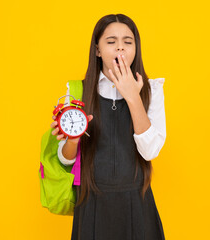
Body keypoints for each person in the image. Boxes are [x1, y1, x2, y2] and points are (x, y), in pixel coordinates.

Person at [50, 13, 166, 240]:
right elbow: (65, 159)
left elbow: (150, 151)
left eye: (128, 42)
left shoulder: (152, 89)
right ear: (97, 50)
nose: (120, 49)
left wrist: (132, 97)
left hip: (137, 204)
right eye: (111, 42)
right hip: (92, 204)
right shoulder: (76, 91)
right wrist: (72, 140)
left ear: (136, 48)